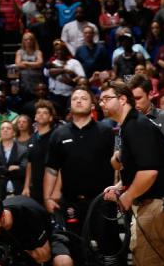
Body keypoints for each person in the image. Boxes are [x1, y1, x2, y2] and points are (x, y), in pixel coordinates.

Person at [99, 81, 164, 266]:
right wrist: (120, 187)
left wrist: (128, 196)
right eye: (100, 99)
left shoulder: (136, 125)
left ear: (122, 99)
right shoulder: (131, 126)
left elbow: (149, 172)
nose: (101, 103)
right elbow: (147, 166)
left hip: (162, 206)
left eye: (106, 98)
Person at [44, 88, 115, 245]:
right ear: (70, 105)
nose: (79, 100)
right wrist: (47, 197)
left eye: (84, 98)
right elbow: (51, 169)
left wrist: (118, 191)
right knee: (75, 248)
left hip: (102, 201)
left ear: (92, 105)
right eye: (75, 98)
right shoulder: (59, 134)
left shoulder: (106, 131)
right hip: (71, 202)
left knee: (107, 248)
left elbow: (117, 165)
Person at [0, 192, 73, 266]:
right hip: (14, 248)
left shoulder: (28, 215)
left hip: (47, 236)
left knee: (63, 261)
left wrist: (21, 254)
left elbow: (45, 256)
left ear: (2, 215)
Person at [23, 100, 56, 205]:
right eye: (38, 112)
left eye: (45, 113)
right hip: (35, 188)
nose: (41, 115)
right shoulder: (32, 138)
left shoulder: (55, 137)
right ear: (35, 117)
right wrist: (26, 186)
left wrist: (56, 191)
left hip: (51, 188)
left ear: (50, 118)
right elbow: (29, 163)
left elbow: (59, 166)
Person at [0, 120, 28, 200]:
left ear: (14, 133)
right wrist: (11, 168)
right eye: (2, 128)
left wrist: (0, 169)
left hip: (18, 189)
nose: (5, 130)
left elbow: (23, 170)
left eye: (8, 128)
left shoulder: (23, 150)